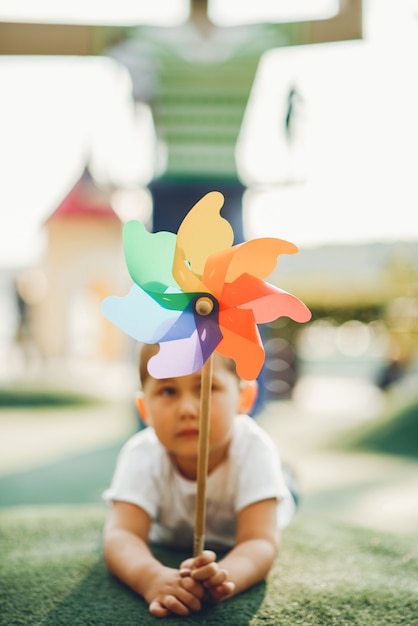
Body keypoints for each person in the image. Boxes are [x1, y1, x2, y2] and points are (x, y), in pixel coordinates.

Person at [103, 343, 296, 618]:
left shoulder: (255, 448)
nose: (187, 410)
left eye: (207, 388)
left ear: (244, 398)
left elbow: (260, 540)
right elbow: (121, 535)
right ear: (143, 408)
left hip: (261, 495)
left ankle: (286, 478)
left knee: (286, 490)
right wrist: (151, 577)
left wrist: (226, 578)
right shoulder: (141, 453)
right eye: (168, 391)